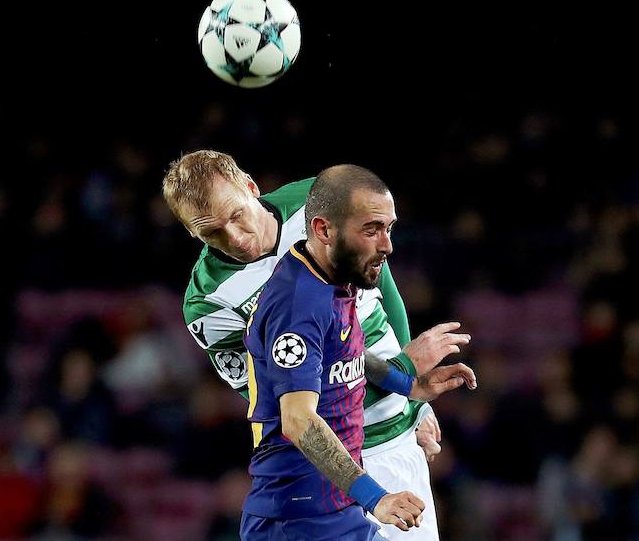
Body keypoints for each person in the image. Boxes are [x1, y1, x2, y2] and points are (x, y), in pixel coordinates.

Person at [163, 151, 470, 538]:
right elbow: (274, 395)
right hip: (336, 459)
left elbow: (383, 293)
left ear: (252, 189)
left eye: (236, 215)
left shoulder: (320, 201)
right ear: (191, 233)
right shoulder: (208, 303)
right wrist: (403, 377)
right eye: (211, 233)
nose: (235, 239)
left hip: (398, 436)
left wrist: (413, 399)